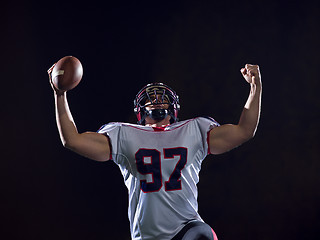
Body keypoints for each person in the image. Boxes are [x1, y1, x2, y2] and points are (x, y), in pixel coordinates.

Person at [48, 63, 262, 240]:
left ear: (174, 109)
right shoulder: (123, 133)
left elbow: (244, 131)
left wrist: (255, 88)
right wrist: (60, 95)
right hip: (147, 236)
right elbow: (72, 140)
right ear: (141, 111)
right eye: (152, 98)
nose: (158, 99)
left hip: (187, 227)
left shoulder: (195, 129)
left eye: (163, 98)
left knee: (203, 235)